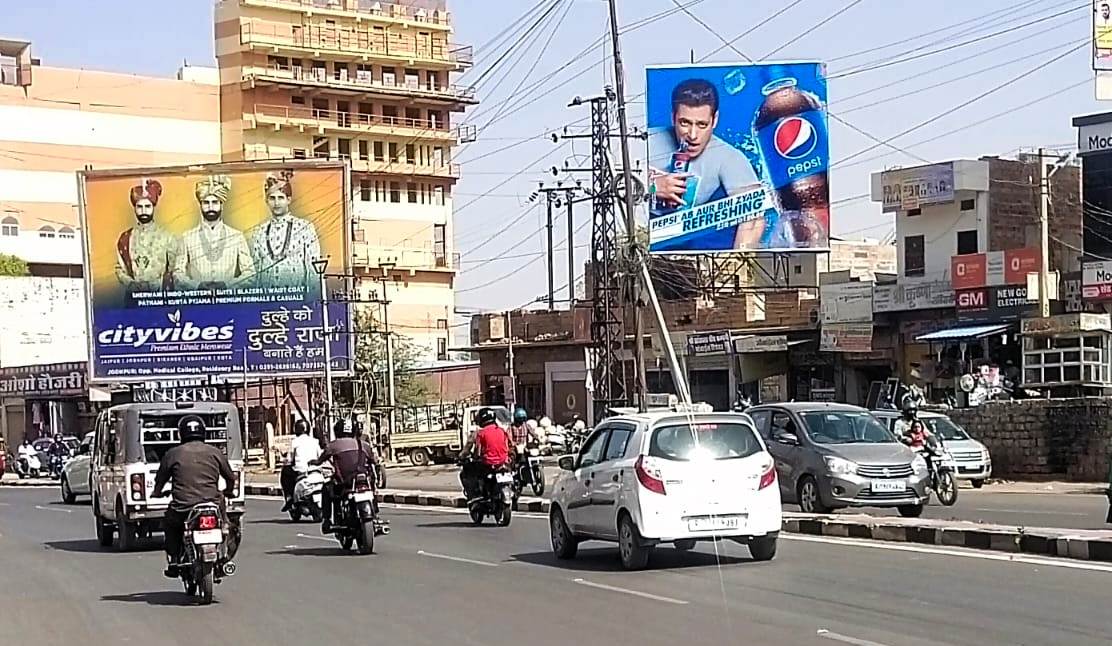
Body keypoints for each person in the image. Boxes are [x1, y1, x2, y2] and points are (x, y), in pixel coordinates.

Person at [648, 78, 764, 249]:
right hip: (640, 245)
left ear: (714, 120)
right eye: (684, 123)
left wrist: (737, 265)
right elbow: (613, 186)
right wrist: (651, 186)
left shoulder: (729, 157)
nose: (693, 135)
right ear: (673, 117)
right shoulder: (645, 140)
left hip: (685, 251)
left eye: (702, 124)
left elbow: (754, 217)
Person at [152, 415, 236, 578]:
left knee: (170, 525)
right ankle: (224, 555)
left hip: (183, 507)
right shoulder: (215, 452)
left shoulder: (173, 454)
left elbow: (160, 479)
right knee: (226, 525)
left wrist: (157, 492)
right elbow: (231, 478)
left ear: (181, 433)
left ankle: (175, 559)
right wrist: (229, 491)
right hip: (213, 505)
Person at [248, 170, 322, 298]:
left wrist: (311, 302)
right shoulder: (258, 232)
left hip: (298, 301)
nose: (276, 203)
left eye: (280, 198)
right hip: (266, 302)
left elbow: (313, 271)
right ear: (266, 200)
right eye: (272, 198)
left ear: (289, 200)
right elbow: (255, 275)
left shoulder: (305, 228)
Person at [176, 175, 255, 290]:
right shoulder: (187, 237)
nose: (211, 207)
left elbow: (250, 274)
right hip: (197, 303)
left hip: (228, 303)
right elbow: (178, 274)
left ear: (221, 205)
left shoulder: (237, 236)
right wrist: (197, 286)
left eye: (215, 202)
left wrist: (228, 285)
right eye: (206, 203)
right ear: (201, 205)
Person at [310, 418, 380, 533]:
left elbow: (320, 460)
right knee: (373, 488)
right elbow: (375, 461)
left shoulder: (333, 446)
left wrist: (314, 462)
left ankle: (326, 519)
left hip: (344, 483)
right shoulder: (364, 445)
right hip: (362, 481)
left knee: (326, 488)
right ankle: (376, 514)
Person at [115, 178, 180, 295]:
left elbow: (173, 270)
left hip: (159, 299)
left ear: (153, 207)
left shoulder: (167, 237)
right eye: (140, 207)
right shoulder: (125, 238)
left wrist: (155, 285)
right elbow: (120, 269)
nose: (143, 211)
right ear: (134, 208)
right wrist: (132, 284)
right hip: (133, 300)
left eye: (147, 206)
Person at [458, 407, 512, 500]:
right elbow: (510, 445)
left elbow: (476, 450)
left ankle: (474, 496)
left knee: (466, 473)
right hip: (503, 463)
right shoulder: (501, 431)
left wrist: (461, 456)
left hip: (487, 464)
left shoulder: (479, 433)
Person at [280, 420, 320, 511]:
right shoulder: (315, 441)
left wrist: (285, 460)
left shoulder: (294, 442)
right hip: (314, 470)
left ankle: (289, 497)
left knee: (285, 472)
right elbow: (319, 456)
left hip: (300, 471)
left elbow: (290, 459)